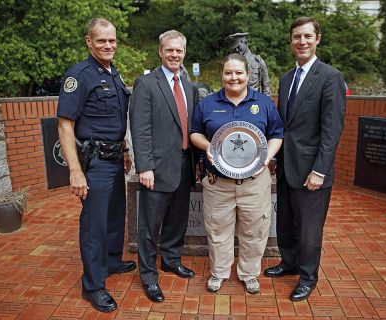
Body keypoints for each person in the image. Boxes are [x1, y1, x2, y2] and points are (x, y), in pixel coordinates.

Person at [264, 16, 346, 301]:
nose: (302, 41)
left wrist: (320, 170)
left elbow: (331, 130)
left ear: (317, 39)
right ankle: (289, 263)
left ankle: (308, 277)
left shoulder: (330, 77)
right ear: (291, 41)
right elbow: (284, 126)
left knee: (310, 230)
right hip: (287, 167)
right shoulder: (287, 78)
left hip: (313, 171)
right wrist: (275, 158)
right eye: (297, 37)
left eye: (307, 36)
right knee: (286, 222)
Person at [57, 18, 136, 313]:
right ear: (89, 42)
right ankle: (92, 285)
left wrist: (125, 150)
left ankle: (112, 261)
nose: (108, 45)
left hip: (115, 158)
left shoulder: (113, 73)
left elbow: (115, 121)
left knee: (116, 216)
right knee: (94, 224)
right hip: (95, 163)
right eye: (101, 40)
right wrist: (75, 170)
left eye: (112, 40)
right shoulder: (79, 75)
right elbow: (65, 127)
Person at [190, 53, 284, 294]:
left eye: (239, 73)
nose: (234, 78)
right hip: (218, 182)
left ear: (248, 75)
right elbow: (194, 132)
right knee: (218, 230)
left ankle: (249, 273)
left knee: (254, 230)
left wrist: (266, 156)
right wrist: (207, 145)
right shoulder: (207, 104)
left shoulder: (263, 103)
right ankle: (219, 272)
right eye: (228, 73)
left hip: (254, 182)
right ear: (222, 76)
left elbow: (277, 134)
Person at [129, 30, 198, 303]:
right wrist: (144, 166)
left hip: (184, 164)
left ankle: (171, 260)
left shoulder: (190, 87)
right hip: (155, 169)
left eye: (179, 51)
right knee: (150, 226)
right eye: (169, 50)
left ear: (184, 54)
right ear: (160, 52)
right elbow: (140, 128)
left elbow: (192, 127)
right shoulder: (146, 84)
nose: (174, 55)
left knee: (177, 220)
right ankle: (148, 276)